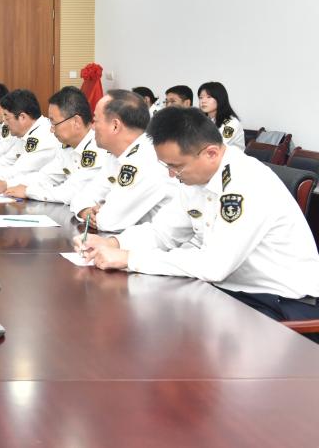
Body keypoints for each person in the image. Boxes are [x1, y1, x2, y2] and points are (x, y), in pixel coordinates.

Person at [76, 107, 319, 331]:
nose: (172, 175)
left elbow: (214, 265)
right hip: (228, 293)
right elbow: (163, 232)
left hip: (280, 304)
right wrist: (114, 243)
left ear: (211, 153)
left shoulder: (247, 183)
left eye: (176, 166)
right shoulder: (195, 178)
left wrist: (130, 258)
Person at [70, 89, 174, 232]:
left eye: (96, 121)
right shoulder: (116, 155)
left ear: (115, 126)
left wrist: (99, 214)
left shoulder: (148, 160)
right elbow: (80, 198)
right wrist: (86, 211)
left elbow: (109, 221)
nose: (92, 127)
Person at [0, 86, 109, 204]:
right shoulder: (67, 147)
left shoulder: (98, 150)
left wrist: (28, 191)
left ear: (76, 122)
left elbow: (71, 192)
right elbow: (45, 176)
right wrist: (6, 184)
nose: (51, 129)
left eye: (54, 123)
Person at [198, 81, 244, 150]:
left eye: (208, 97)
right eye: (201, 97)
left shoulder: (231, 122)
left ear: (220, 99)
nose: (203, 101)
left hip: (228, 157)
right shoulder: (204, 119)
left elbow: (214, 146)